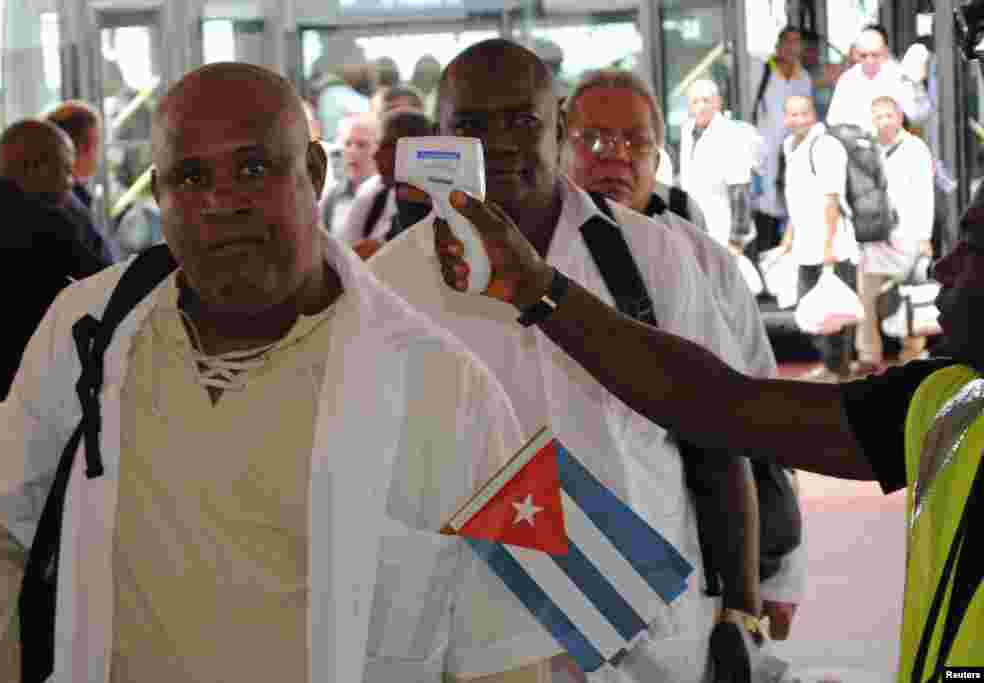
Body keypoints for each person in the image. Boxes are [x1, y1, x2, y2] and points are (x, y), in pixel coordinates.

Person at [0, 62, 564, 683]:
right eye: (191, 177)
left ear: (314, 172)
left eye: (253, 168)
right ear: (159, 195)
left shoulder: (448, 385)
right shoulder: (86, 330)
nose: (222, 202)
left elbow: (507, 648)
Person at [432, 121, 984, 683]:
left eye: (974, 247)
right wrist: (537, 288)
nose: (945, 267)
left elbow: (722, 409)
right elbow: (723, 406)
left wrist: (538, 289)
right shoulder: (950, 402)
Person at [370, 39, 788, 682]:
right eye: (471, 126)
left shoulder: (651, 259)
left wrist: (743, 614)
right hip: (481, 650)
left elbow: (720, 436)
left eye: (522, 120)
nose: (499, 144)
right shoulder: (390, 287)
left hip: (657, 642)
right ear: (441, 138)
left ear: (559, 124)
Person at [559, 65, 807, 644]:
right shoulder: (530, 259)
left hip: (692, 543)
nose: (613, 157)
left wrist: (780, 580)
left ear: (659, 155)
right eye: (592, 140)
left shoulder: (705, 262)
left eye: (634, 142)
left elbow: (764, 412)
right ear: (558, 145)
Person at [0, 119, 108, 400]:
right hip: (51, 386)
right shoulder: (50, 222)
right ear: (34, 166)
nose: (71, 181)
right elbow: (108, 286)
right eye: (65, 169)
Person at [777, 96, 859, 382]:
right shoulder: (789, 146)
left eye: (803, 114)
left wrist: (828, 245)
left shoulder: (827, 146)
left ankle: (839, 370)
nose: (798, 120)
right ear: (785, 118)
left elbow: (831, 198)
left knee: (834, 311)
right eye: (792, 115)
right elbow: (796, 198)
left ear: (813, 115)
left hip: (831, 242)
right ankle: (828, 364)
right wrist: (789, 237)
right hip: (805, 242)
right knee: (810, 309)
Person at [856, 95, 935, 372]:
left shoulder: (916, 149)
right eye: (877, 117)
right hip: (874, 237)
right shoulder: (868, 149)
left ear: (899, 117)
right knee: (866, 297)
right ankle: (868, 355)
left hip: (909, 236)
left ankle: (912, 353)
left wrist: (924, 237)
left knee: (909, 295)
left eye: (888, 116)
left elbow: (926, 195)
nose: (883, 122)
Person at [750, 26, 813, 257]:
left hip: (793, 150)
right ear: (779, 45)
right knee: (765, 206)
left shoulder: (803, 77)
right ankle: (766, 255)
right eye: (788, 41)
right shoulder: (764, 71)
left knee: (792, 202)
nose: (792, 47)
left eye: (797, 42)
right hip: (766, 150)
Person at [342, 107, 434, 259]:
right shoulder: (375, 198)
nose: (376, 155)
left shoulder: (445, 211)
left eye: (388, 146)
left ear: (418, 148)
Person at [679, 79, 756, 251]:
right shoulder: (687, 130)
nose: (701, 106)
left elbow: (740, 190)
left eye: (706, 100)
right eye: (695, 101)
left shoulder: (731, 134)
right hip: (695, 229)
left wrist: (736, 239)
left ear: (717, 103)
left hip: (724, 230)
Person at [45, 100, 121, 263]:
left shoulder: (38, 197)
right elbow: (104, 271)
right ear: (88, 145)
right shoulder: (69, 207)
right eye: (98, 143)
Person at [826, 26, 929, 134]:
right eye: (864, 55)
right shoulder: (848, 79)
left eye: (875, 55)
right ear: (856, 54)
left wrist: (917, 86)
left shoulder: (898, 75)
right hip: (856, 145)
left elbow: (918, 117)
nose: (869, 61)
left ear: (885, 51)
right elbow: (834, 121)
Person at [319, 114, 378, 236]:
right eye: (347, 144)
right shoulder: (332, 196)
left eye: (362, 145)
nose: (352, 151)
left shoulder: (389, 195)